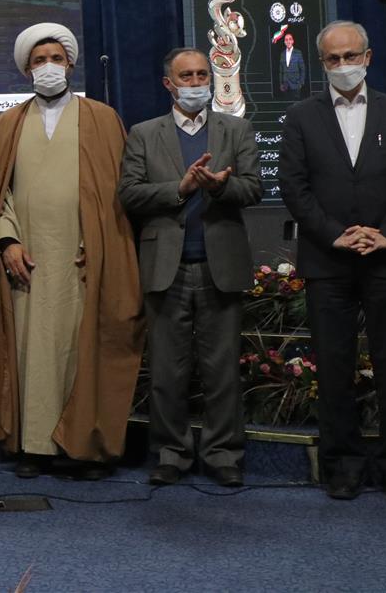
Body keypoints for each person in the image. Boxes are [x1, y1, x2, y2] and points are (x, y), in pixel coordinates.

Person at [0, 23, 143, 481]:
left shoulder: (102, 118)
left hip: (83, 258)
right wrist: (8, 241)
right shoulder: (8, 124)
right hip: (27, 260)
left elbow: (117, 190)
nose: (48, 67)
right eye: (38, 61)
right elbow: (0, 195)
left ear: (70, 64)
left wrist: (100, 243)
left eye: (55, 59)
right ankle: (33, 447)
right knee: (31, 352)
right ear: (26, 70)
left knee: (82, 348)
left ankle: (85, 447)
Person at [279, 20, 386, 502]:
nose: (342, 65)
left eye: (350, 56)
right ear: (322, 63)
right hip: (328, 260)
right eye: (333, 58)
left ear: (368, 57)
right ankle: (341, 463)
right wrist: (334, 235)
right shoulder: (301, 116)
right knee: (334, 367)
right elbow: (294, 187)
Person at [119, 47, 263, 487]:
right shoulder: (144, 133)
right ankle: (172, 453)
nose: (197, 83)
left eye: (202, 75)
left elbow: (254, 188)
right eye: (187, 76)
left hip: (221, 265)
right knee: (167, 370)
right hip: (167, 267)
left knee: (222, 370)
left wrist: (219, 188)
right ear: (169, 84)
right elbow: (129, 194)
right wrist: (179, 190)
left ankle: (222, 454)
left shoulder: (236, 129)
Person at [279, 31, 306, 99]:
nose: (288, 41)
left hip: (296, 85)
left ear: (293, 41)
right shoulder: (282, 54)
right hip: (285, 86)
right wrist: (281, 83)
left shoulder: (298, 53)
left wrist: (301, 83)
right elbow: (281, 70)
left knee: (296, 104)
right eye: (286, 40)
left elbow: (302, 69)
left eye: (290, 39)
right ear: (284, 42)